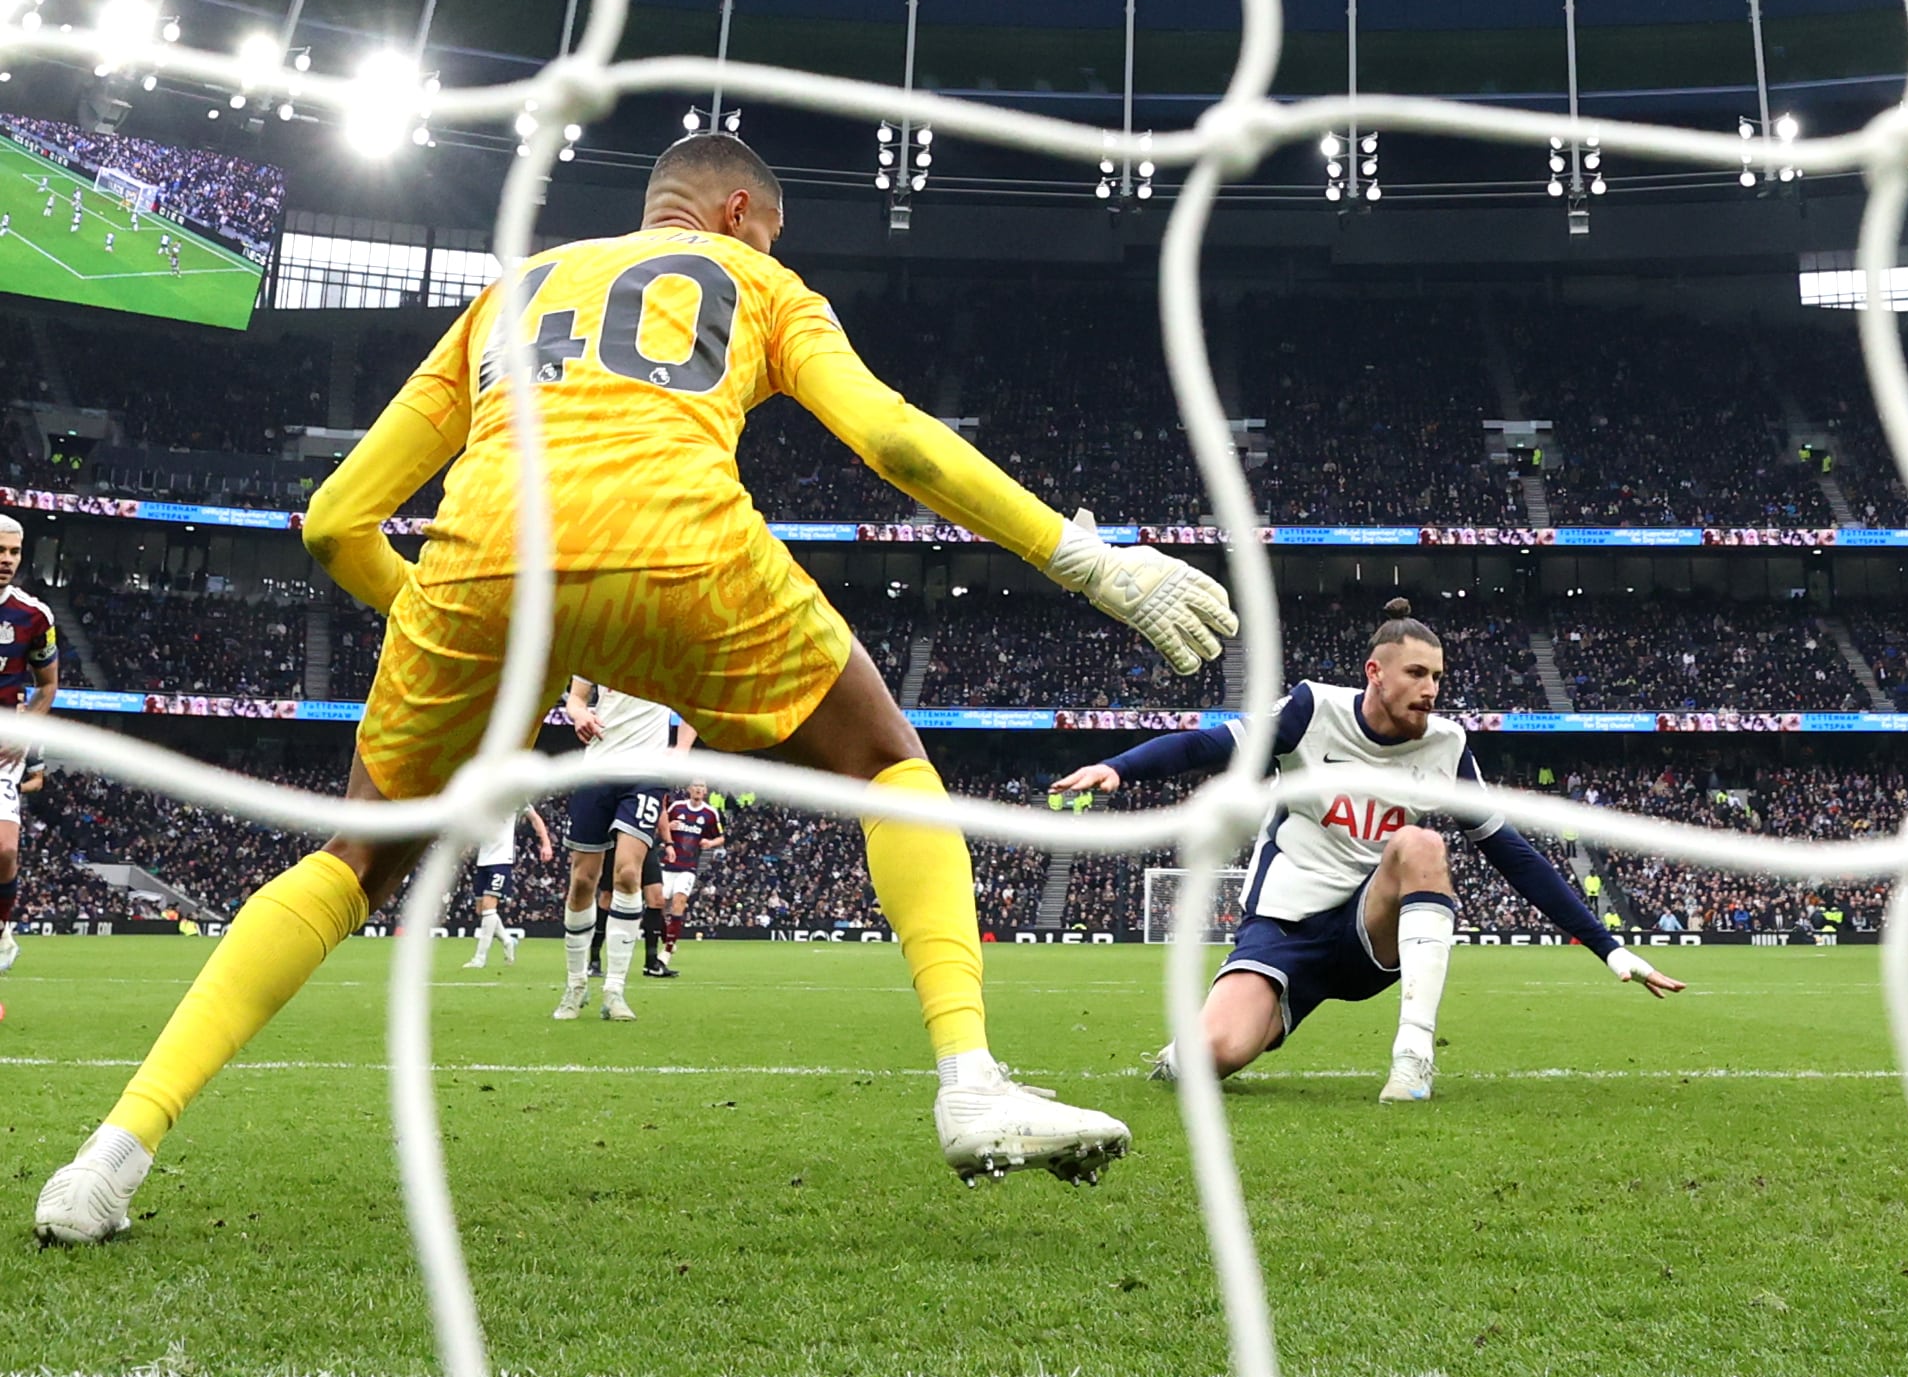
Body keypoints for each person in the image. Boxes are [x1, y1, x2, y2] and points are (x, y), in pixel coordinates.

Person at [36, 132, 1239, 1247]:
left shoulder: (508, 292)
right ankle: (970, 1085)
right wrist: (1088, 562)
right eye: (768, 232)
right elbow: (896, 441)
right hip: (680, 547)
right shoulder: (757, 283)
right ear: (737, 215)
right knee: (888, 770)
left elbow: (336, 519)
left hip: (479, 561)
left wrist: (449, 620)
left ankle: (108, 1156)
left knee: (353, 861)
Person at [1059, 600, 1682, 1105]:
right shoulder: (1310, 711)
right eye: (1416, 673)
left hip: (1368, 930)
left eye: (1438, 676)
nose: (1432, 689)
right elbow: (1205, 746)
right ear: (1375, 672)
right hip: (1285, 926)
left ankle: (1413, 1055)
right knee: (1209, 1058)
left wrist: (1609, 947)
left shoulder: (1445, 748)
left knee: (1421, 842)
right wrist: (1117, 768)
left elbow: (1512, 854)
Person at [552, 680, 692, 1021]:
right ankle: (575, 984)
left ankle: (614, 990)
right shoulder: (597, 645)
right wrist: (579, 714)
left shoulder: (667, 649)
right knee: (583, 880)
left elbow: (697, 701)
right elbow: (577, 699)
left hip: (646, 774)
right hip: (598, 768)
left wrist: (682, 747)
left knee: (628, 874)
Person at [0, 511, 56, 976]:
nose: (7, 559)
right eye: (0, 550)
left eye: (14, 552)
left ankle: (1, 930)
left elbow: (47, 686)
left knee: (4, 850)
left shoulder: (33, 616)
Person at [461, 796, 555, 969]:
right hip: (483, 859)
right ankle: (507, 941)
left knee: (489, 907)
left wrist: (546, 843)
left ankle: (479, 958)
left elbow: (535, 818)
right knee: (481, 909)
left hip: (501, 860)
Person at [657, 780, 726, 962]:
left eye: (701, 786)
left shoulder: (710, 813)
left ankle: (666, 952)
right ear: (689, 789)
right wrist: (668, 828)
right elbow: (661, 823)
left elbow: (721, 838)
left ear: (705, 791)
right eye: (695, 785)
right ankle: (667, 938)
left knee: (679, 903)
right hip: (668, 863)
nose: (698, 788)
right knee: (659, 906)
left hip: (688, 867)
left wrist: (710, 843)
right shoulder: (677, 808)